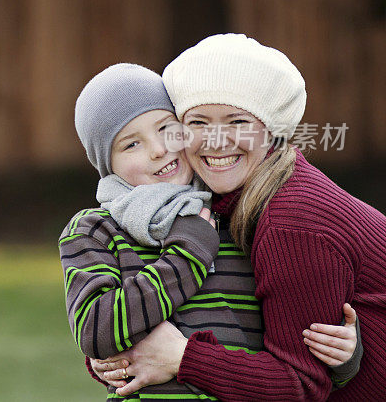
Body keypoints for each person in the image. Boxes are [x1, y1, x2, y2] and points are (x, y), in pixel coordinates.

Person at [90, 34, 384, 401]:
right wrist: (112, 354)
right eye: (197, 122)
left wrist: (183, 357)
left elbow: (301, 387)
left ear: (271, 129)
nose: (215, 140)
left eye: (237, 121)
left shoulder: (291, 222)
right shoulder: (214, 199)